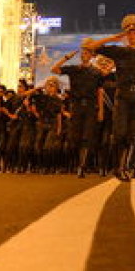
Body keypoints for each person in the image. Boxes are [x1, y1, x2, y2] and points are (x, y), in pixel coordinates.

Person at [82, 15, 135, 179]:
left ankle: (125, 167)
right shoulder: (119, 51)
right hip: (122, 97)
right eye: (129, 32)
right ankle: (118, 167)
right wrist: (115, 37)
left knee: (133, 135)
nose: (132, 35)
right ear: (126, 35)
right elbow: (92, 47)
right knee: (119, 133)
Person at [53, 46, 106, 178]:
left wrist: (100, 110)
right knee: (74, 138)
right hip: (76, 106)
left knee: (87, 137)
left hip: (90, 107)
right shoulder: (74, 69)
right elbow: (53, 69)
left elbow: (100, 92)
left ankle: (82, 167)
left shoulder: (96, 72)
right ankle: (77, 164)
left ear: (92, 56)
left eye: (87, 53)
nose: (84, 55)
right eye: (83, 53)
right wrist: (66, 58)